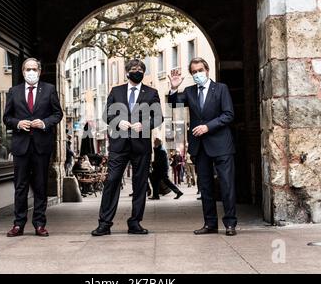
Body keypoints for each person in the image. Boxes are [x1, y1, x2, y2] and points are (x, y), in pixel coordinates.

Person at [91, 59, 163, 236]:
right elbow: (106, 114)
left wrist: (144, 125)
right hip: (119, 145)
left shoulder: (151, 92)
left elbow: (159, 117)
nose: (136, 71)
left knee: (140, 185)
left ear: (143, 73)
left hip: (141, 146)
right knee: (112, 181)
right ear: (127, 72)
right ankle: (104, 223)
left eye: (140, 69)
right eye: (133, 69)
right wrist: (117, 121)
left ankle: (135, 222)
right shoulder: (116, 91)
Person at [168, 57, 237, 236]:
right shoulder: (190, 92)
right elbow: (174, 103)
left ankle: (230, 224)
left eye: (200, 70)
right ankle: (210, 224)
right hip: (200, 148)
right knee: (205, 187)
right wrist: (174, 88)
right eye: (194, 72)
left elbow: (229, 114)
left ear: (207, 70)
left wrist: (208, 126)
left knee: (227, 185)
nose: (197, 74)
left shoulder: (221, 89)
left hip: (221, 145)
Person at [3, 58, 63, 237]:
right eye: (27, 69)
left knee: (40, 186)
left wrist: (44, 123)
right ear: (22, 72)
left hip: (41, 146)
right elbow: (7, 118)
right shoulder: (14, 91)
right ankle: (18, 224)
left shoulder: (49, 89)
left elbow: (57, 113)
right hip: (21, 146)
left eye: (34, 69)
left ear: (39, 71)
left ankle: (39, 224)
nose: (31, 72)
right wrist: (18, 123)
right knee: (20, 186)